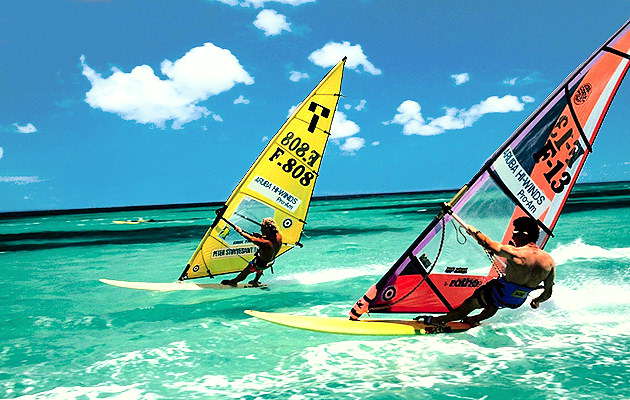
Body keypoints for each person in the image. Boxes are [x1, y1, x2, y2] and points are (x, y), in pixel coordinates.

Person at [420, 216, 555, 327]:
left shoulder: (514, 252)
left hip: (499, 293)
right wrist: (537, 301)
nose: (512, 237)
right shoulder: (549, 261)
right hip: (516, 301)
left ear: (524, 235)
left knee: (471, 304)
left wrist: (471, 229)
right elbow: (547, 292)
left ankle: (438, 320)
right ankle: (474, 320)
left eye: (514, 233)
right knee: (493, 302)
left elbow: (487, 243)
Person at [221, 217, 282, 287]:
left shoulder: (265, 242)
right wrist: (260, 236)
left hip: (260, 264)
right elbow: (269, 240)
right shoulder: (279, 236)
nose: (260, 229)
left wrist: (240, 232)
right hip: (270, 262)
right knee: (262, 261)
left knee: (246, 272)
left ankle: (234, 282)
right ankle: (255, 281)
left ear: (266, 229)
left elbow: (252, 239)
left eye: (262, 227)